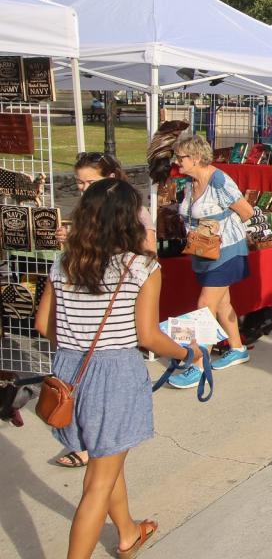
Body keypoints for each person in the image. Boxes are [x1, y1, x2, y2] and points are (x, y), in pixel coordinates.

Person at [35, 178, 200, 559]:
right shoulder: (141, 267)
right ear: (129, 220)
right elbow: (148, 335)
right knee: (97, 481)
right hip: (114, 377)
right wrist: (186, 353)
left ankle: (127, 533)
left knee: (107, 459)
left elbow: (44, 326)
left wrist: (78, 338)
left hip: (69, 372)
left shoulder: (64, 263)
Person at [52, 153, 157, 470]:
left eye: (90, 182)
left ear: (111, 178)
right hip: (104, 356)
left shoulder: (133, 221)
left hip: (83, 354)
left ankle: (124, 522)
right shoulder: (78, 245)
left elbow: (147, 254)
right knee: (104, 470)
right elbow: (150, 335)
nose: (83, 188)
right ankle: (120, 520)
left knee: (105, 467)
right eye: (80, 182)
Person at [170, 135, 254, 388]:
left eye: (181, 157)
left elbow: (246, 211)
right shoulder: (189, 182)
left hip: (226, 250)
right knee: (222, 303)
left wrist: (218, 224)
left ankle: (197, 364)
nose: (177, 161)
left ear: (196, 158)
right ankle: (238, 348)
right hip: (202, 252)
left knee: (204, 305)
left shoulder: (218, 180)